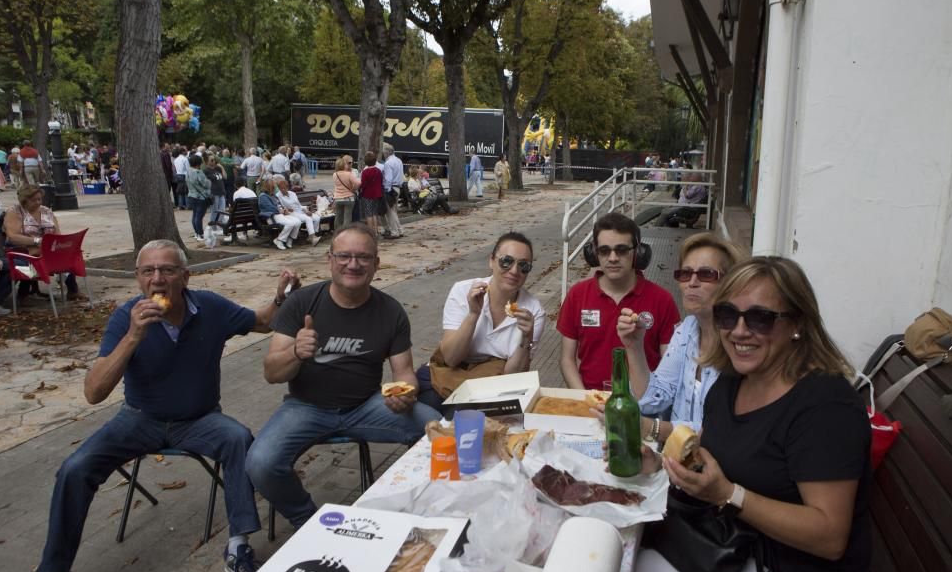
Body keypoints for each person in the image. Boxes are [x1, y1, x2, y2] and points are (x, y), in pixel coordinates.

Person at [13, 240, 300, 572]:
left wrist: (280, 298)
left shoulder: (210, 308)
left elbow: (262, 321)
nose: (157, 279)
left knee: (238, 438)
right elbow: (94, 393)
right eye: (148, 271)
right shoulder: (124, 319)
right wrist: (134, 337)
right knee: (74, 468)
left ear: (185, 276)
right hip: (138, 419)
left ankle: (238, 547)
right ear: (137, 279)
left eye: (167, 270)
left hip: (200, 419)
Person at [631, 256, 872, 572]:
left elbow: (829, 535)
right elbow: (712, 452)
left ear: (798, 325)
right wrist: (658, 464)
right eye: (728, 314)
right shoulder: (733, 381)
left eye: (760, 318)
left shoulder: (825, 405)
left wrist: (729, 495)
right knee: (631, 556)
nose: (740, 331)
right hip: (732, 543)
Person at [246, 223, 441, 530]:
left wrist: (407, 393)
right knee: (260, 462)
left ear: (376, 263)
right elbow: (272, 373)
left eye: (363, 257)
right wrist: (296, 352)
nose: (353, 264)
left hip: (366, 405)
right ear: (330, 260)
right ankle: (309, 522)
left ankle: (420, 510)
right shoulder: (301, 303)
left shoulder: (390, 311)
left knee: (439, 432)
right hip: (305, 407)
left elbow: (403, 373)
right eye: (345, 256)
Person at [618, 233, 746, 445]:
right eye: (685, 274)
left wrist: (652, 428)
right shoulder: (687, 329)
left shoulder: (741, 343)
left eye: (706, 274)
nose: (692, 283)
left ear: (730, 283)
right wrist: (634, 347)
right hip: (677, 462)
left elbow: (722, 429)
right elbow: (653, 399)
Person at [416, 232, 546, 410]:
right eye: (506, 261)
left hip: (492, 385)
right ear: (491, 260)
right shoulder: (463, 291)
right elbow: (451, 358)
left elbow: (513, 378)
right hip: (448, 375)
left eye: (524, 265)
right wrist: (473, 314)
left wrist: (526, 338)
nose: (515, 271)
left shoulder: (533, 311)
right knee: (428, 412)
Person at [557, 212, 679, 391]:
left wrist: (650, 404)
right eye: (604, 251)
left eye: (621, 250)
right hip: (591, 401)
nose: (613, 258)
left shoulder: (662, 300)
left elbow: (670, 367)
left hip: (644, 405)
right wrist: (584, 400)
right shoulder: (577, 295)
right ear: (593, 253)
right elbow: (567, 359)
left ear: (638, 252)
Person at [3, 185, 86, 301]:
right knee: (29, 263)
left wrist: (54, 244)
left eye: (39, 199)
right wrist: (37, 241)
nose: (38, 202)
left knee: (66, 255)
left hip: (46, 251)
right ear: (24, 201)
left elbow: (57, 233)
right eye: (33, 200)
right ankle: (24, 291)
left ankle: (73, 290)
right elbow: (13, 237)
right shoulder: (15, 212)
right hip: (22, 250)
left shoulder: (46, 211)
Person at [275, 176, 321, 247]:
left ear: (288, 187)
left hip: (300, 211)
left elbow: (299, 205)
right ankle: (313, 237)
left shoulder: (292, 193)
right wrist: (287, 209)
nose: (283, 190)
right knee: (308, 219)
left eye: (285, 188)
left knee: (317, 218)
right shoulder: (278, 196)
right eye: (281, 188)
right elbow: (281, 207)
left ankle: (310, 236)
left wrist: (305, 210)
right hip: (291, 213)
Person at [259, 178, 302, 250]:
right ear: (268, 187)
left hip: (280, 215)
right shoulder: (263, 196)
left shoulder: (272, 195)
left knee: (298, 222)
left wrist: (284, 209)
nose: (274, 189)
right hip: (272, 216)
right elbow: (269, 208)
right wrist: (280, 211)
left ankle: (290, 238)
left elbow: (279, 205)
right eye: (273, 187)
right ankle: (279, 240)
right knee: (290, 224)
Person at [380, 142, 405, 239]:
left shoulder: (388, 163)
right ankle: (399, 230)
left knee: (390, 212)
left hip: (391, 189)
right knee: (394, 211)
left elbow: (388, 179)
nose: (383, 154)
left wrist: (386, 190)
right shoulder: (398, 160)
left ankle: (395, 232)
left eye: (383, 152)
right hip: (398, 187)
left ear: (386, 152)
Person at [186, 154, 211, 242]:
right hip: (201, 197)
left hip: (191, 195)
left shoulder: (188, 171)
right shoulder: (198, 172)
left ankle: (197, 233)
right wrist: (209, 181)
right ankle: (201, 234)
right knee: (199, 216)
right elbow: (205, 184)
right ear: (198, 163)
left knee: (195, 215)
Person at [331, 155, 360, 230]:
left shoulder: (335, 174)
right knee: (347, 217)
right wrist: (353, 189)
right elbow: (358, 183)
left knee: (338, 217)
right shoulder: (349, 174)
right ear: (344, 165)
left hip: (338, 198)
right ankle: (345, 233)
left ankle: (337, 232)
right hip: (349, 198)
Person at [358, 151, 384, 236]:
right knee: (374, 213)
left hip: (367, 195)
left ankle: (371, 232)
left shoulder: (365, 172)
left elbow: (363, 184)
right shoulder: (378, 171)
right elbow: (381, 182)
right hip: (377, 194)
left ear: (365, 161)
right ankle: (376, 231)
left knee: (368, 214)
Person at [204, 154, 227, 228]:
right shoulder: (206, 171)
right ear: (207, 162)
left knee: (222, 210)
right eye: (212, 160)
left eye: (214, 160)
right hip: (214, 193)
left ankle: (220, 225)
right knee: (215, 210)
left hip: (222, 192)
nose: (214, 162)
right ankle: (213, 227)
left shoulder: (217, 168)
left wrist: (222, 167)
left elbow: (225, 177)